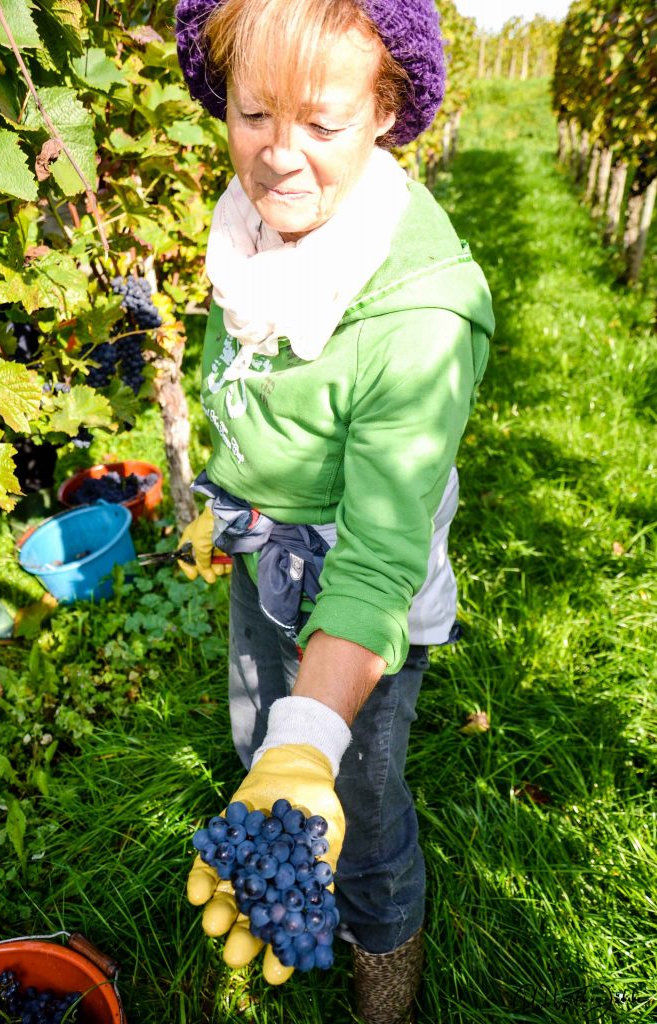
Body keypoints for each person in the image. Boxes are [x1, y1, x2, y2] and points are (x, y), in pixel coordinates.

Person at [175, 1, 494, 1020]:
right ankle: (290, 823)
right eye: (252, 113)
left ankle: (383, 978)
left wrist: (313, 730)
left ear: (385, 111)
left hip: (359, 594)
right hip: (265, 560)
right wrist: (226, 496)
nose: (276, 157)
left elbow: (373, 562)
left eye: (321, 123)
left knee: (353, 797)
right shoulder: (257, 233)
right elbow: (247, 379)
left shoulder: (419, 314)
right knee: (253, 739)